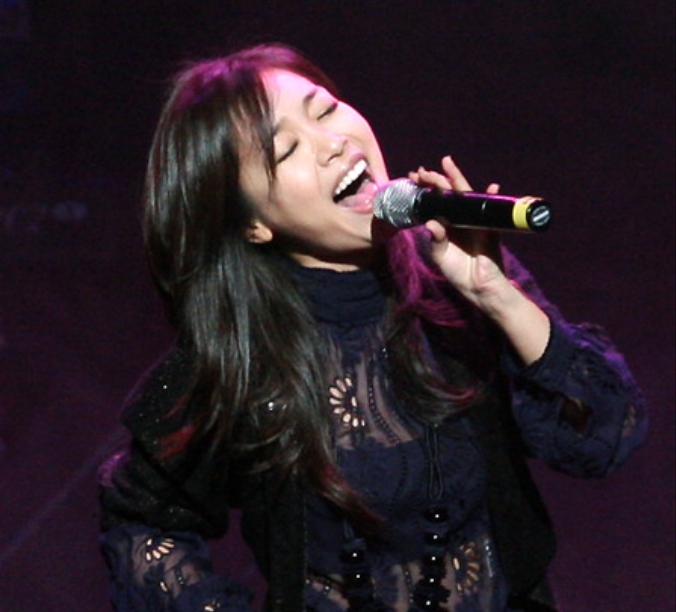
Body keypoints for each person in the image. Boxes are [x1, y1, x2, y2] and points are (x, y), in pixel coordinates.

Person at [98, 43, 646, 612]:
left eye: (325, 110)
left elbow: (603, 435)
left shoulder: (455, 277)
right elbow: (143, 523)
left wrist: (499, 295)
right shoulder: (237, 355)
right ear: (253, 224)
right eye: (287, 149)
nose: (333, 143)